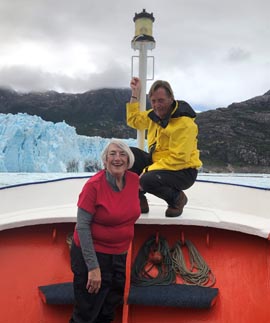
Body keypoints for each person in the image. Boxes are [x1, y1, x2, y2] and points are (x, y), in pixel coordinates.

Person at [69, 139, 140, 323]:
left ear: (129, 159)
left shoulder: (133, 181)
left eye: (122, 154)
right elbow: (82, 226)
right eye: (112, 154)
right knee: (87, 313)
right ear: (105, 160)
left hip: (119, 256)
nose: (118, 158)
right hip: (93, 256)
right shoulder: (94, 186)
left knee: (108, 310)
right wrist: (93, 268)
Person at [126, 77, 202, 217]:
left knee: (146, 179)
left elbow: (179, 159)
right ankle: (139, 199)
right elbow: (134, 120)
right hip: (159, 163)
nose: (157, 105)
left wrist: (147, 170)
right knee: (127, 155)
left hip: (183, 171)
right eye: (153, 101)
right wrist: (135, 93)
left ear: (171, 99)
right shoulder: (153, 116)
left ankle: (177, 199)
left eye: (161, 100)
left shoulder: (184, 124)